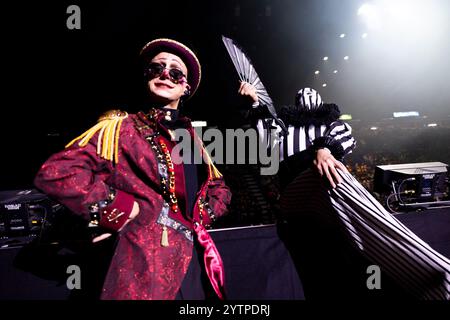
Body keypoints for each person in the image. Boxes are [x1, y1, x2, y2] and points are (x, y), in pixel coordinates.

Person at [34, 38, 231, 300]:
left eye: (175, 72)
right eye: (156, 68)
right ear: (145, 76)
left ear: (186, 87)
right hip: (142, 266)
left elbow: (219, 187)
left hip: (194, 263)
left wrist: (200, 217)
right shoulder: (121, 129)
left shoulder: (192, 139)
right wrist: (121, 210)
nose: (165, 74)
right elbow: (58, 172)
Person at [239, 82, 450, 300]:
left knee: (335, 179)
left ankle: (426, 274)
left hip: (328, 199)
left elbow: (345, 138)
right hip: (296, 195)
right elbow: (265, 144)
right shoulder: (283, 128)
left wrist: (324, 148)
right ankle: (434, 273)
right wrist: (255, 103)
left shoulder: (334, 125)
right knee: (328, 175)